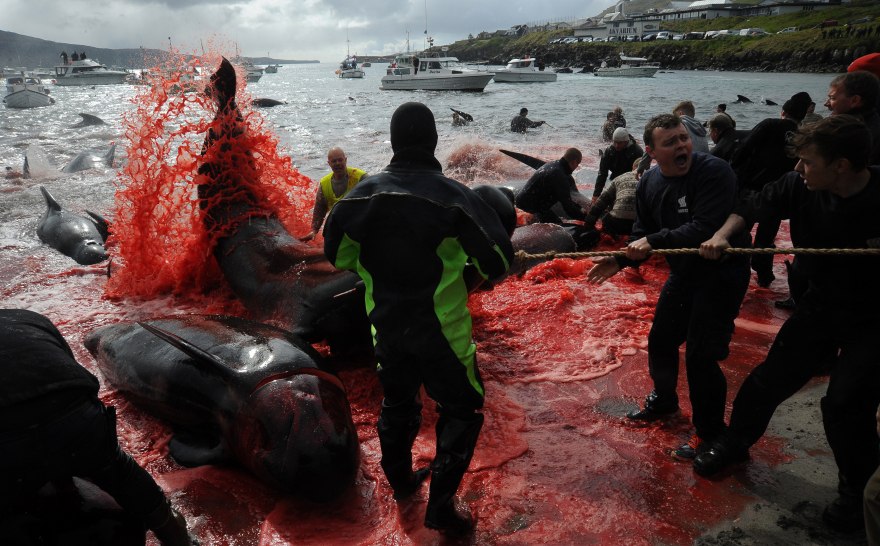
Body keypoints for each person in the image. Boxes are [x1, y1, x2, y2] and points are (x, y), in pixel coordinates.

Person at [323, 102, 514, 534]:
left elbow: (337, 255)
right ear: (433, 142)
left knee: (397, 404)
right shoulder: (456, 198)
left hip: (386, 328)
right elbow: (499, 259)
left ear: (393, 143)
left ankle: (405, 485)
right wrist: (463, 271)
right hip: (442, 333)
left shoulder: (359, 198)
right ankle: (442, 508)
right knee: (461, 409)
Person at [694, 116, 880, 534]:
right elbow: (751, 205)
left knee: (846, 405)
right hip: (821, 306)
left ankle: (855, 492)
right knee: (769, 379)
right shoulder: (798, 186)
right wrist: (724, 234)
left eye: (807, 162)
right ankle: (735, 440)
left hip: (873, 319)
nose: (797, 169)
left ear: (841, 165)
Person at [586, 113, 751, 462]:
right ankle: (664, 400)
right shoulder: (648, 184)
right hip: (685, 273)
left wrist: (652, 240)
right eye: (670, 142)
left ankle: (710, 433)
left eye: (683, 138)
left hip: (722, 273)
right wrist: (622, 260)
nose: (681, 146)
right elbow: (640, 235)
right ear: (651, 152)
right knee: (660, 338)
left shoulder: (714, 171)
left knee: (700, 355)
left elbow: (704, 227)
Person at [0, 309, 197, 545]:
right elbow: (68, 367)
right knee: (121, 473)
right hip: (76, 414)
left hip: (8, 438)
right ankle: (180, 538)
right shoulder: (27, 318)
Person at [730, 91, 812, 288]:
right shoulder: (802, 136)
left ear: (783, 111)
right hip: (779, 193)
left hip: (753, 187)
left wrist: (734, 165)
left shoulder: (770, 124)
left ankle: (732, 269)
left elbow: (745, 147)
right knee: (766, 237)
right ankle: (764, 275)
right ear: (803, 116)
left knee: (739, 229)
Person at [299, 147, 367, 242]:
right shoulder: (324, 184)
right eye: (334, 161)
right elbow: (320, 209)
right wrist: (314, 230)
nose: (338, 163)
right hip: (339, 227)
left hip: (361, 226)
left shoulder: (361, 177)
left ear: (345, 160)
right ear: (329, 163)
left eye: (340, 160)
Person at [515, 148, 587, 225]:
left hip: (532, 203)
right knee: (557, 228)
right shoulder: (560, 175)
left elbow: (564, 197)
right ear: (574, 162)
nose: (577, 167)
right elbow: (568, 208)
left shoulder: (554, 165)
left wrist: (579, 208)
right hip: (530, 206)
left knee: (554, 221)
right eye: (578, 164)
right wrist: (586, 220)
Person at [824, 70, 880, 164]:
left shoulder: (855, 136)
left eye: (833, 98)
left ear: (854, 101)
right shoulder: (872, 123)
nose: (826, 104)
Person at [584, 157, 639, 237]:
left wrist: (589, 223)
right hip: (640, 226)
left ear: (633, 168)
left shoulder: (620, 178)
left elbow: (601, 202)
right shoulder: (652, 179)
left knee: (606, 218)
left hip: (618, 224)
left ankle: (614, 240)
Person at [595, 128, 643, 199]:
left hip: (632, 182)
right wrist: (596, 194)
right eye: (615, 142)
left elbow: (642, 174)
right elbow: (602, 174)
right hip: (615, 180)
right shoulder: (609, 151)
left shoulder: (636, 151)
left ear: (626, 141)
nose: (617, 145)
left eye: (619, 143)